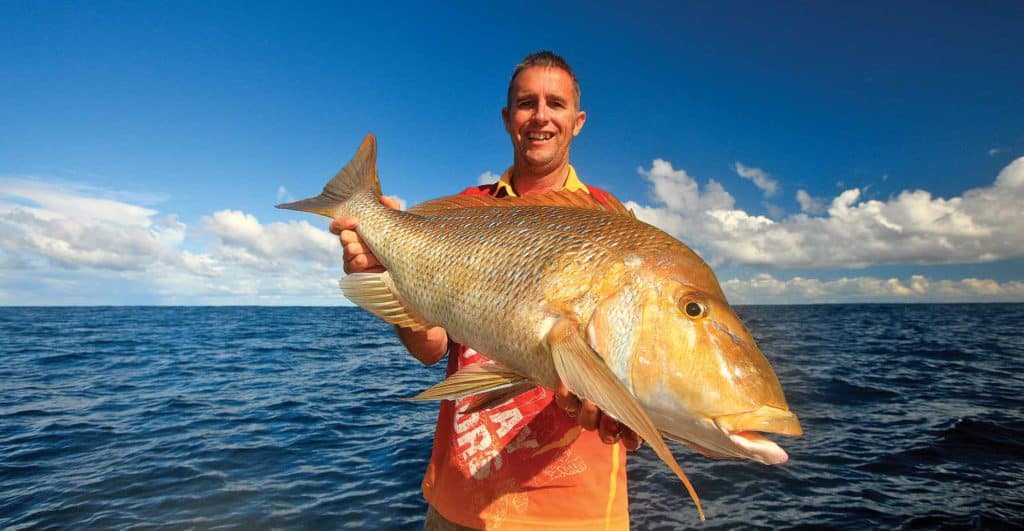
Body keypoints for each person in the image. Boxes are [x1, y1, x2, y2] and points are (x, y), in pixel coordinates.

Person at [330, 51, 639, 530]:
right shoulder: (465, 210)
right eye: (525, 103)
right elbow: (431, 348)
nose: (540, 116)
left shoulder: (612, 223)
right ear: (507, 118)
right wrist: (383, 274)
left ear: (577, 122)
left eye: (555, 104)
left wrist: (632, 412)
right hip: (458, 508)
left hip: (575, 514)